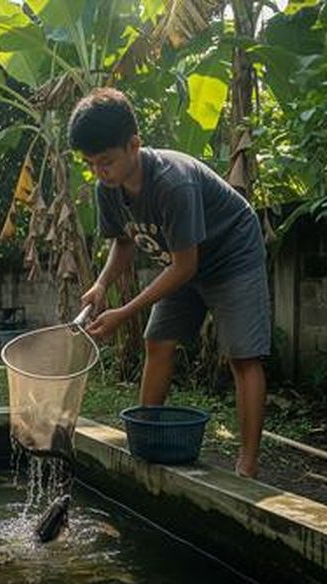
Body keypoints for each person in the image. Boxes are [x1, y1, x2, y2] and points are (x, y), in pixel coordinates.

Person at [70, 87, 271, 478]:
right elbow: (124, 242)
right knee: (156, 341)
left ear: (134, 144)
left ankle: (247, 466)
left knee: (243, 357)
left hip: (231, 254)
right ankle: (145, 441)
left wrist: (124, 312)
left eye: (106, 161)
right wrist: (101, 285)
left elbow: (184, 267)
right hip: (182, 261)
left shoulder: (173, 182)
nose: (99, 172)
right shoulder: (107, 188)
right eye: (90, 163)